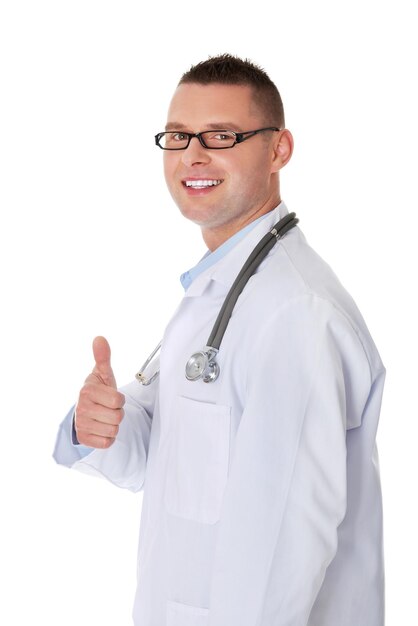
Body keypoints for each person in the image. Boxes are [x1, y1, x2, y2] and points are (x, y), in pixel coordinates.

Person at [53, 53, 386, 626]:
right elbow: (170, 463)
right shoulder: (219, 290)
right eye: (179, 137)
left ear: (278, 149)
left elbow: (282, 543)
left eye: (221, 135)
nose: (193, 157)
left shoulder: (294, 314)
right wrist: (100, 424)